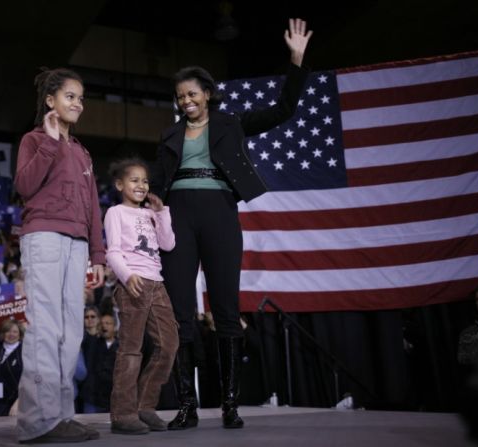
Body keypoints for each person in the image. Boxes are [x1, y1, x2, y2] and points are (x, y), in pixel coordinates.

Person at [151, 18, 312, 430]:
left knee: (225, 308)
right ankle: (187, 405)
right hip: (179, 217)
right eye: (180, 96)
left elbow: (284, 110)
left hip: (220, 211)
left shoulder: (231, 124)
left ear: (207, 95)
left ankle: (230, 405)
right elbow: (155, 185)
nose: (186, 100)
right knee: (181, 312)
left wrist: (296, 60)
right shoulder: (169, 137)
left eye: (192, 93)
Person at [14, 67, 105, 444]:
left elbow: (94, 207)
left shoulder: (83, 152)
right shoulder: (34, 140)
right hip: (44, 238)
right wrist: (50, 142)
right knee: (45, 328)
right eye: (70, 96)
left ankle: (62, 416)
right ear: (50, 100)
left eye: (81, 98)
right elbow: (24, 185)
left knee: (71, 331)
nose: (77, 103)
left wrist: (98, 254)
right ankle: (38, 421)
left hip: (77, 244)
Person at [103, 158, 178, 434]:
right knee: (131, 350)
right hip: (132, 284)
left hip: (157, 284)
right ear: (120, 184)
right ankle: (123, 414)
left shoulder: (150, 213)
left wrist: (161, 213)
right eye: (134, 180)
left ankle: (145, 407)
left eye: (145, 180)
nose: (141, 185)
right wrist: (126, 275)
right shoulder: (115, 213)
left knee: (169, 346)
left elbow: (168, 244)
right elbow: (112, 251)